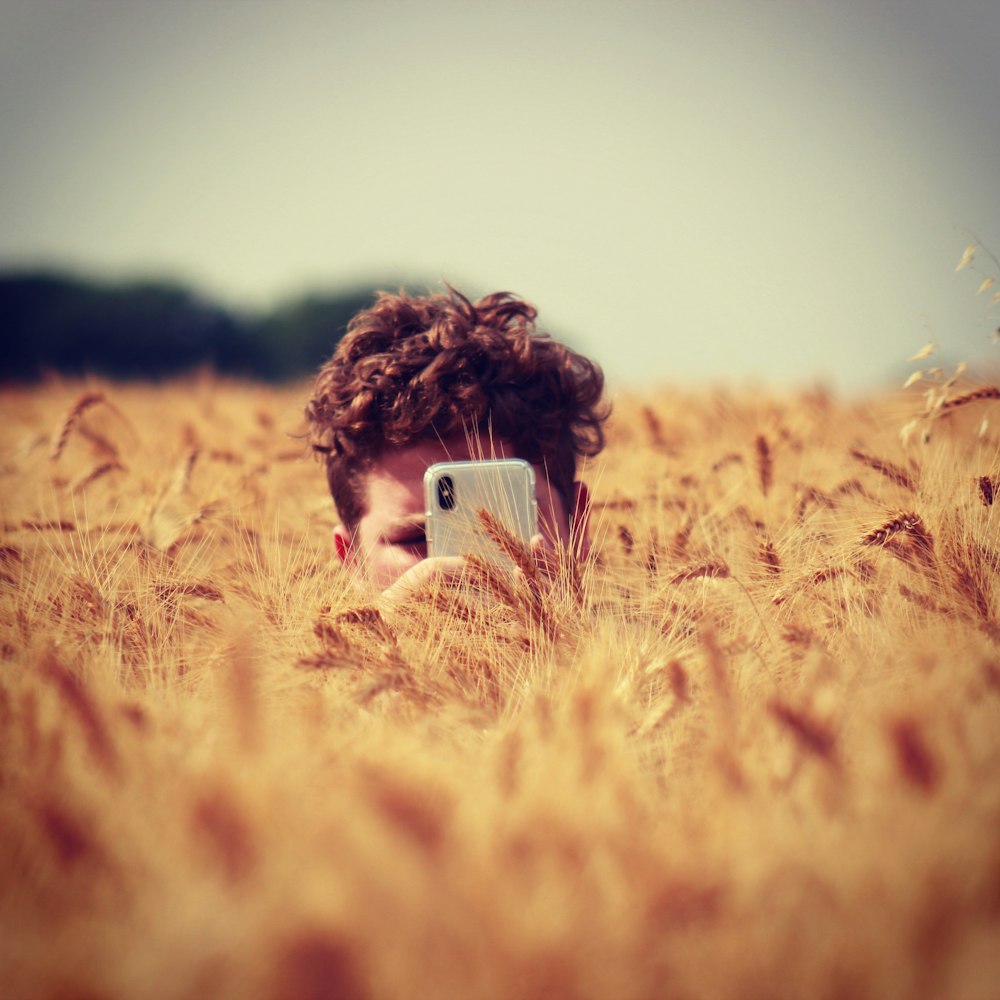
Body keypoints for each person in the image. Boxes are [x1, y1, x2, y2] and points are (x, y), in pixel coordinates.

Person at [305, 287, 609, 601]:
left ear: (578, 528)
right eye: (418, 538)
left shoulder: (652, 648)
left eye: (510, 526)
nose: (467, 571)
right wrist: (378, 641)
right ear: (351, 558)